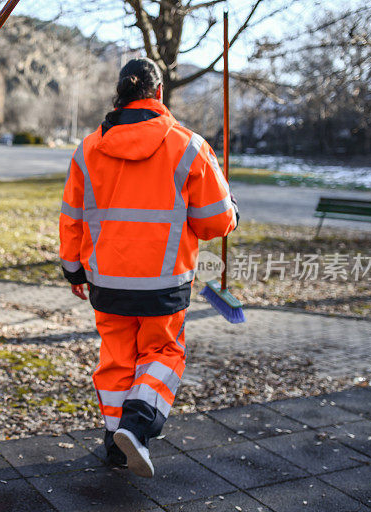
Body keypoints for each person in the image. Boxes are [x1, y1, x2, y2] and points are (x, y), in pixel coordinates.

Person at [59, 58, 238, 478]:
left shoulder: (88, 148)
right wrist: (233, 209)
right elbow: (214, 222)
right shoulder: (190, 146)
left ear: (120, 95)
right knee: (164, 352)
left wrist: (72, 269)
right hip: (165, 283)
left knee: (117, 359)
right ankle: (137, 427)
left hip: (105, 280)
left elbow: (72, 215)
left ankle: (115, 444)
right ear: (159, 94)